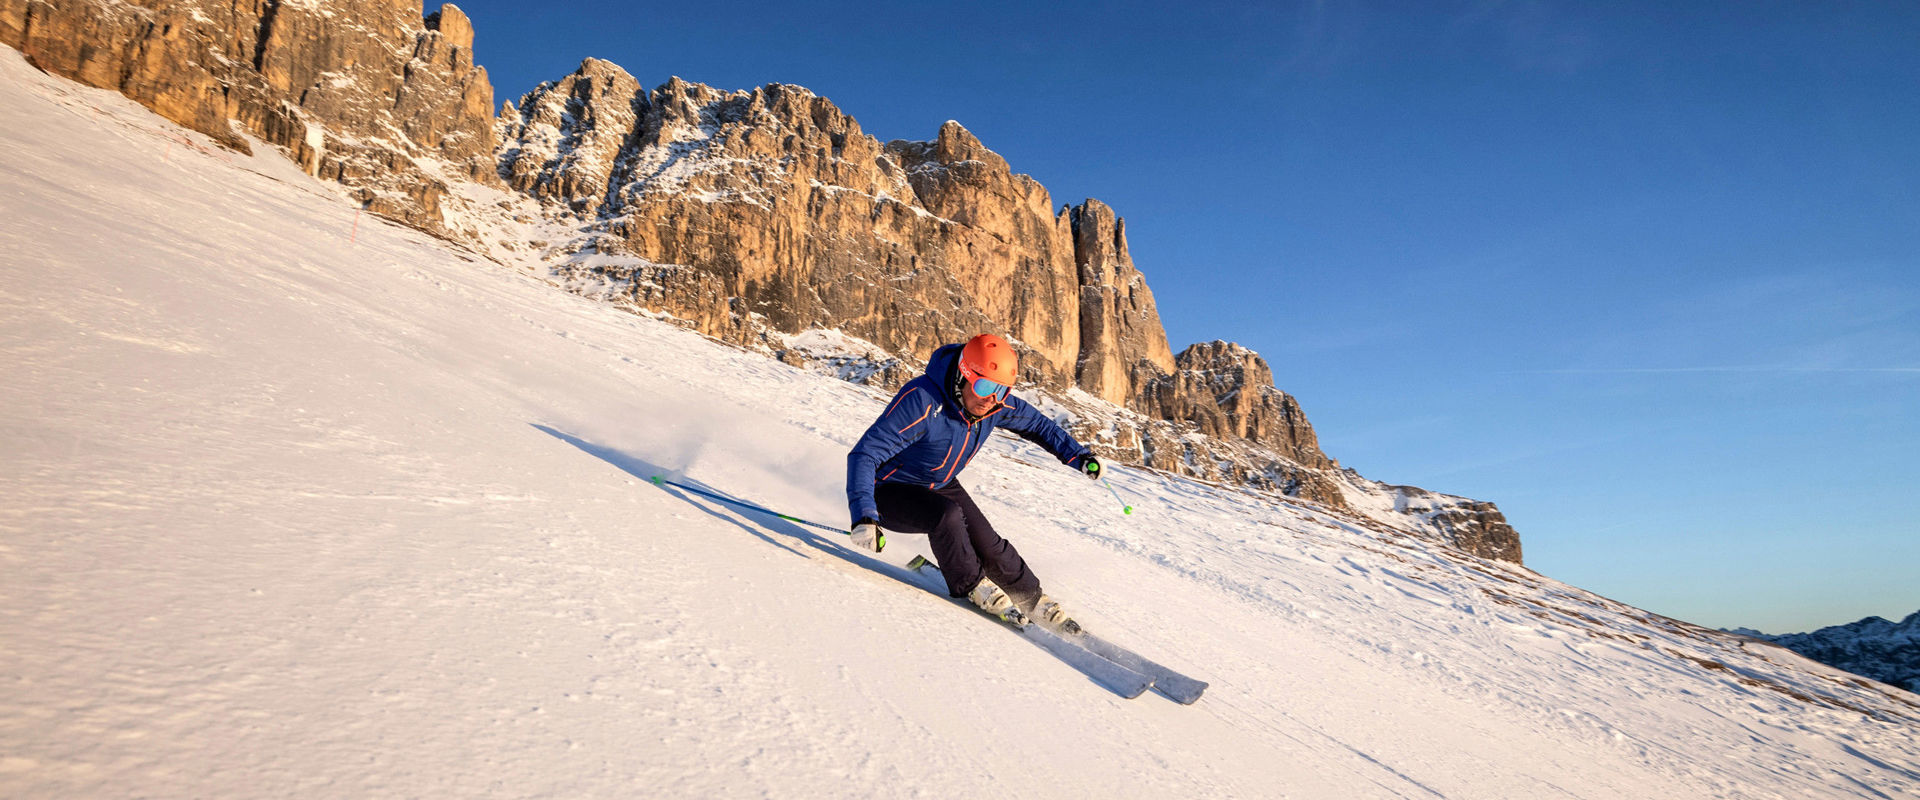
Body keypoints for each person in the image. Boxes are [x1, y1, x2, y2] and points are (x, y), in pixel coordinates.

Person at [845, 333, 1103, 630]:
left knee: (988, 543)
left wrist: (1079, 456)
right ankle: (973, 584)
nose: (992, 398)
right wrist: (864, 515)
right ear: (963, 376)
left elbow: (1037, 425)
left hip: (938, 482)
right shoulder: (922, 400)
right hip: (887, 490)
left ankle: (1032, 598)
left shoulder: (994, 405)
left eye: (1002, 390)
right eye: (984, 386)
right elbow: (865, 454)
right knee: (947, 517)